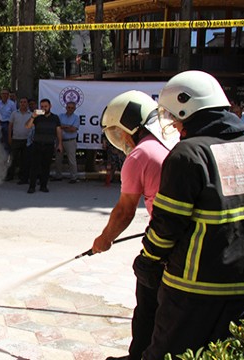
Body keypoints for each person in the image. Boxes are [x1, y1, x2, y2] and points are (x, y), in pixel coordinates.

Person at [141, 70, 244, 359]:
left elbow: (167, 224)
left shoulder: (189, 154)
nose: (176, 126)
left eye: (175, 117)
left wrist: (148, 259)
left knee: (168, 354)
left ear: (188, 107)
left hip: (192, 288)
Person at [92, 91, 179, 360]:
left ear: (130, 124)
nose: (121, 141)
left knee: (148, 303)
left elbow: (124, 211)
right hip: (182, 233)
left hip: (165, 242)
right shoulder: (171, 140)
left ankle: (139, 355)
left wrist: (104, 239)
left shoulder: (140, 155)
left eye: (119, 133)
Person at [25, 99, 62, 193]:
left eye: (46, 106)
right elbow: (27, 126)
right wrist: (33, 117)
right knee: (34, 166)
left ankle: (43, 186)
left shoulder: (55, 118)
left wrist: (60, 144)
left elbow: (58, 131)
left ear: (50, 106)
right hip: (37, 144)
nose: (44, 108)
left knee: (46, 167)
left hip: (49, 145)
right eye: (42, 106)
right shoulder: (37, 117)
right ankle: (32, 186)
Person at [6, 97, 32, 183]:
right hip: (15, 139)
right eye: (21, 102)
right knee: (12, 158)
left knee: (24, 160)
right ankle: (10, 175)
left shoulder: (31, 114)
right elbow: (10, 126)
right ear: (19, 103)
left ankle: (23, 177)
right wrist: (9, 137)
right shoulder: (14, 113)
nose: (23, 104)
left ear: (27, 104)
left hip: (26, 140)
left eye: (25, 102)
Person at [52, 101, 80, 183]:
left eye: (72, 108)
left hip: (70, 141)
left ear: (74, 109)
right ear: (66, 107)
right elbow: (57, 127)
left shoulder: (76, 118)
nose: (70, 109)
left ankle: (74, 177)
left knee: (72, 160)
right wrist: (68, 126)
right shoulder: (60, 116)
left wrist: (62, 126)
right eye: (68, 107)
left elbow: (73, 129)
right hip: (59, 141)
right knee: (58, 159)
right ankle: (58, 176)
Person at [0, 89, 16, 153]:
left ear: (8, 95)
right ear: (1, 95)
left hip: (8, 123)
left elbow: (14, 114)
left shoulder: (12, 104)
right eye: (3, 94)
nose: (4, 95)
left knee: (7, 140)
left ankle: (7, 154)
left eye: (6, 94)